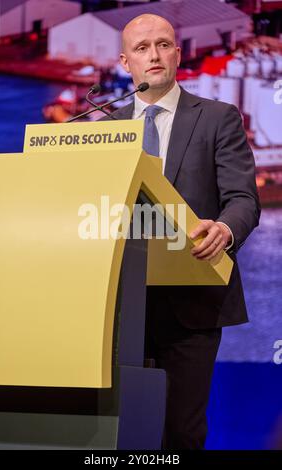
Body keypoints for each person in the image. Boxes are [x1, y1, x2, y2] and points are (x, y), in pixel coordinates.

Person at [102, 14, 261, 449]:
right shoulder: (103, 128)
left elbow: (244, 200)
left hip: (191, 304)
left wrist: (225, 231)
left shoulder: (217, 118)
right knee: (115, 434)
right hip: (114, 309)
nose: (153, 55)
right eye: (141, 48)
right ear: (125, 61)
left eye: (162, 44)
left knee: (179, 432)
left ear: (176, 52)